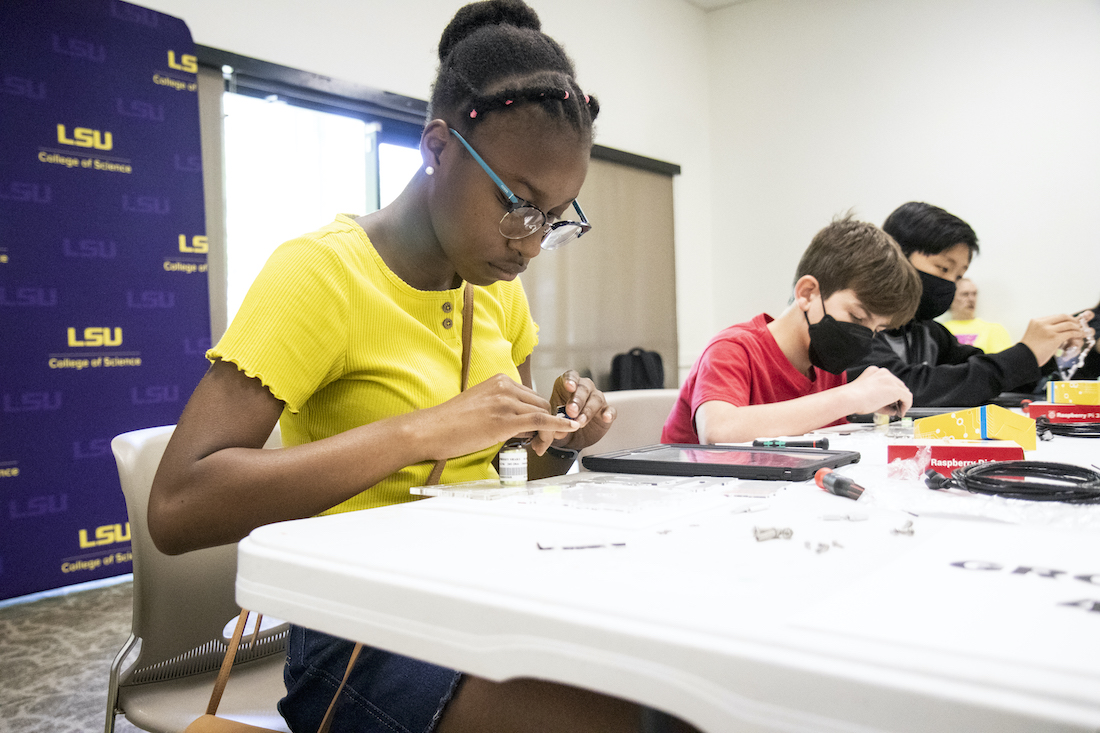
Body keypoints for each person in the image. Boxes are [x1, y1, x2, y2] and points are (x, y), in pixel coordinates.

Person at [148, 3, 695, 731]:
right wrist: (421, 432)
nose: (529, 244)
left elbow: (511, 470)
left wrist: (557, 436)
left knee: (683, 679)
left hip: (487, 590)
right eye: (518, 203)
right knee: (631, 718)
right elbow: (178, 506)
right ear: (437, 146)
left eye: (555, 218)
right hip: (359, 639)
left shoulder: (496, 288)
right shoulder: (321, 273)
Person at [662, 215, 921, 445]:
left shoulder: (826, 367)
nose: (866, 338)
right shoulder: (732, 349)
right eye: (857, 316)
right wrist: (851, 396)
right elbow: (718, 430)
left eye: (877, 329)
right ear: (807, 293)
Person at [848, 202, 1092, 407]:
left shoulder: (930, 334)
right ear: (896, 255)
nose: (949, 284)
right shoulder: (856, 324)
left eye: (957, 276)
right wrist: (1023, 355)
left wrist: (1050, 349)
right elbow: (905, 385)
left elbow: (991, 378)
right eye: (943, 268)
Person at [941, 278, 1013, 353]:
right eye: (965, 294)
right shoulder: (941, 330)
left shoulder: (994, 330)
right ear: (951, 297)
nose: (971, 299)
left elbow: (1002, 362)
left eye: (974, 294)